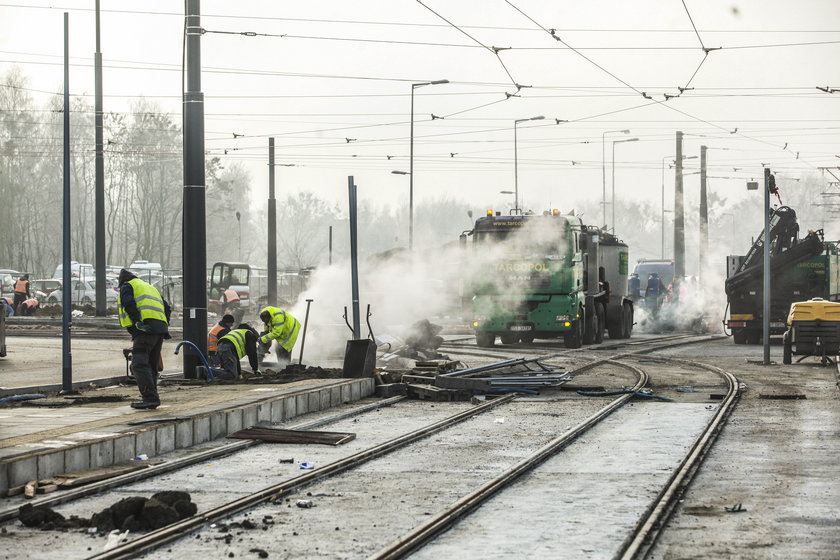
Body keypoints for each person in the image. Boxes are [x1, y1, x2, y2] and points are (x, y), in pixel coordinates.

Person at [117, 268, 171, 410]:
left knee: (138, 365)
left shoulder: (127, 286)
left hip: (144, 329)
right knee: (151, 365)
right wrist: (164, 323)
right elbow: (167, 307)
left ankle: (150, 398)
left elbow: (128, 303)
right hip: (159, 330)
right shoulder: (149, 287)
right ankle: (152, 397)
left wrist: (137, 321)